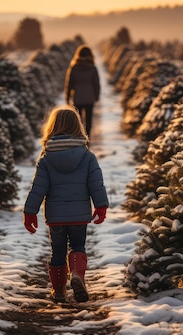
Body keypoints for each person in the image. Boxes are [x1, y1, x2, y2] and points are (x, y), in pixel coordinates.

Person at [23, 106, 109, 303]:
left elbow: (38, 187)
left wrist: (30, 212)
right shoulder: (87, 156)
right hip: (79, 215)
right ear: (78, 127)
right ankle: (77, 275)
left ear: (52, 127)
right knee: (78, 245)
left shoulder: (46, 158)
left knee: (58, 251)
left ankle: (59, 291)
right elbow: (96, 183)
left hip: (56, 217)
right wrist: (101, 206)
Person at [64, 45, 101, 137]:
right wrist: (96, 96)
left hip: (78, 97)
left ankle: (79, 138)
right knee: (88, 121)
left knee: (78, 121)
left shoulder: (74, 67)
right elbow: (96, 83)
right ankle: (87, 139)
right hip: (89, 97)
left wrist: (67, 97)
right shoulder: (92, 68)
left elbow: (69, 83)